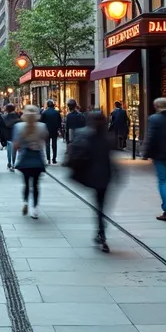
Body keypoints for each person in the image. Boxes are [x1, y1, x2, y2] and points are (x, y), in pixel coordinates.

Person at [66, 110, 116, 252]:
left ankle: (101, 231)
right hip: (105, 175)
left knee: (99, 205)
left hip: (89, 174)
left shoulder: (82, 134)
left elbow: (75, 153)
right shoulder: (108, 137)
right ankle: (101, 232)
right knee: (101, 205)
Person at [12, 105, 50, 218]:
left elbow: (16, 145)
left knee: (26, 183)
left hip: (25, 157)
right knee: (36, 184)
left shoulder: (18, 127)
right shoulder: (42, 126)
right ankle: (35, 208)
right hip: (37, 157)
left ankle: (25, 202)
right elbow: (45, 140)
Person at [41, 100, 63, 164]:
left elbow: (42, 122)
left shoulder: (44, 112)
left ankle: (48, 159)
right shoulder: (56, 112)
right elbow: (59, 122)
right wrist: (59, 130)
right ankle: (54, 159)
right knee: (54, 145)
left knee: (47, 145)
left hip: (46, 131)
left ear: (47, 105)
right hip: (54, 130)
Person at [4, 104, 22, 171]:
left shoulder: (4, 117)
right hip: (16, 136)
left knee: (9, 151)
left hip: (8, 136)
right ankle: (13, 163)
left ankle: (9, 162)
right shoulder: (18, 117)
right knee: (14, 151)